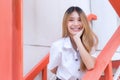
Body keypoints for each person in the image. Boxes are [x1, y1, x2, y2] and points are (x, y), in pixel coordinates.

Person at [48, 6, 98, 80]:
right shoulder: (57, 45)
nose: (75, 24)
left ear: (84, 23)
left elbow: (90, 65)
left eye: (79, 20)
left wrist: (77, 39)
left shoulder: (90, 42)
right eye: (71, 20)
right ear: (65, 23)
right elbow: (53, 69)